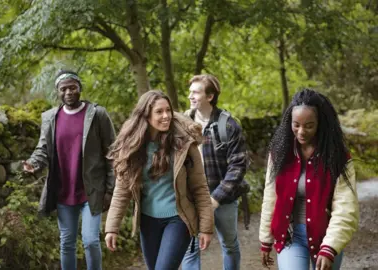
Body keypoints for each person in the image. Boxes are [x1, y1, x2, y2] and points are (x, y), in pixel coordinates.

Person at [104, 90, 214, 270]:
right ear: (146, 115)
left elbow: (200, 187)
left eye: (168, 110)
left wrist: (206, 227)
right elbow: (122, 191)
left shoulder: (184, 143)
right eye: (159, 112)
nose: (166, 116)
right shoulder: (133, 146)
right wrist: (111, 228)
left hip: (179, 219)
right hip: (148, 221)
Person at [23, 70, 116, 270]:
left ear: (79, 88)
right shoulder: (50, 118)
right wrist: (33, 163)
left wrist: (110, 188)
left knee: (91, 241)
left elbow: (112, 152)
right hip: (63, 191)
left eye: (72, 87)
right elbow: (43, 149)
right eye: (63, 89)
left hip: (91, 190)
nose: (68, 92)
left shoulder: (97, 114)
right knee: (67, 243)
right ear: (57, 92)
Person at [259, 88, 359, 270]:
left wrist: (330, 247)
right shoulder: (280, 154)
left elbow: (346, 207)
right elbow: (270, 196)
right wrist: (265, 239)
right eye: (296, 124)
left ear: (321, 123)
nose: (301, 131)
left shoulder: (339, 157)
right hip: (291, 237)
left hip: (326, 238)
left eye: (309, 125)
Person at [182, 74, 248, 270]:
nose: (190, 96)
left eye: (195, 92)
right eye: (190, 92)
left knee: (229, 245)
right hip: (192, 197)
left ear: (210, 97)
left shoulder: (228, 125)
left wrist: (216, 199)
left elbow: (238, 166)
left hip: (224, 199)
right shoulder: (182, 124)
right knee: (190, 248)